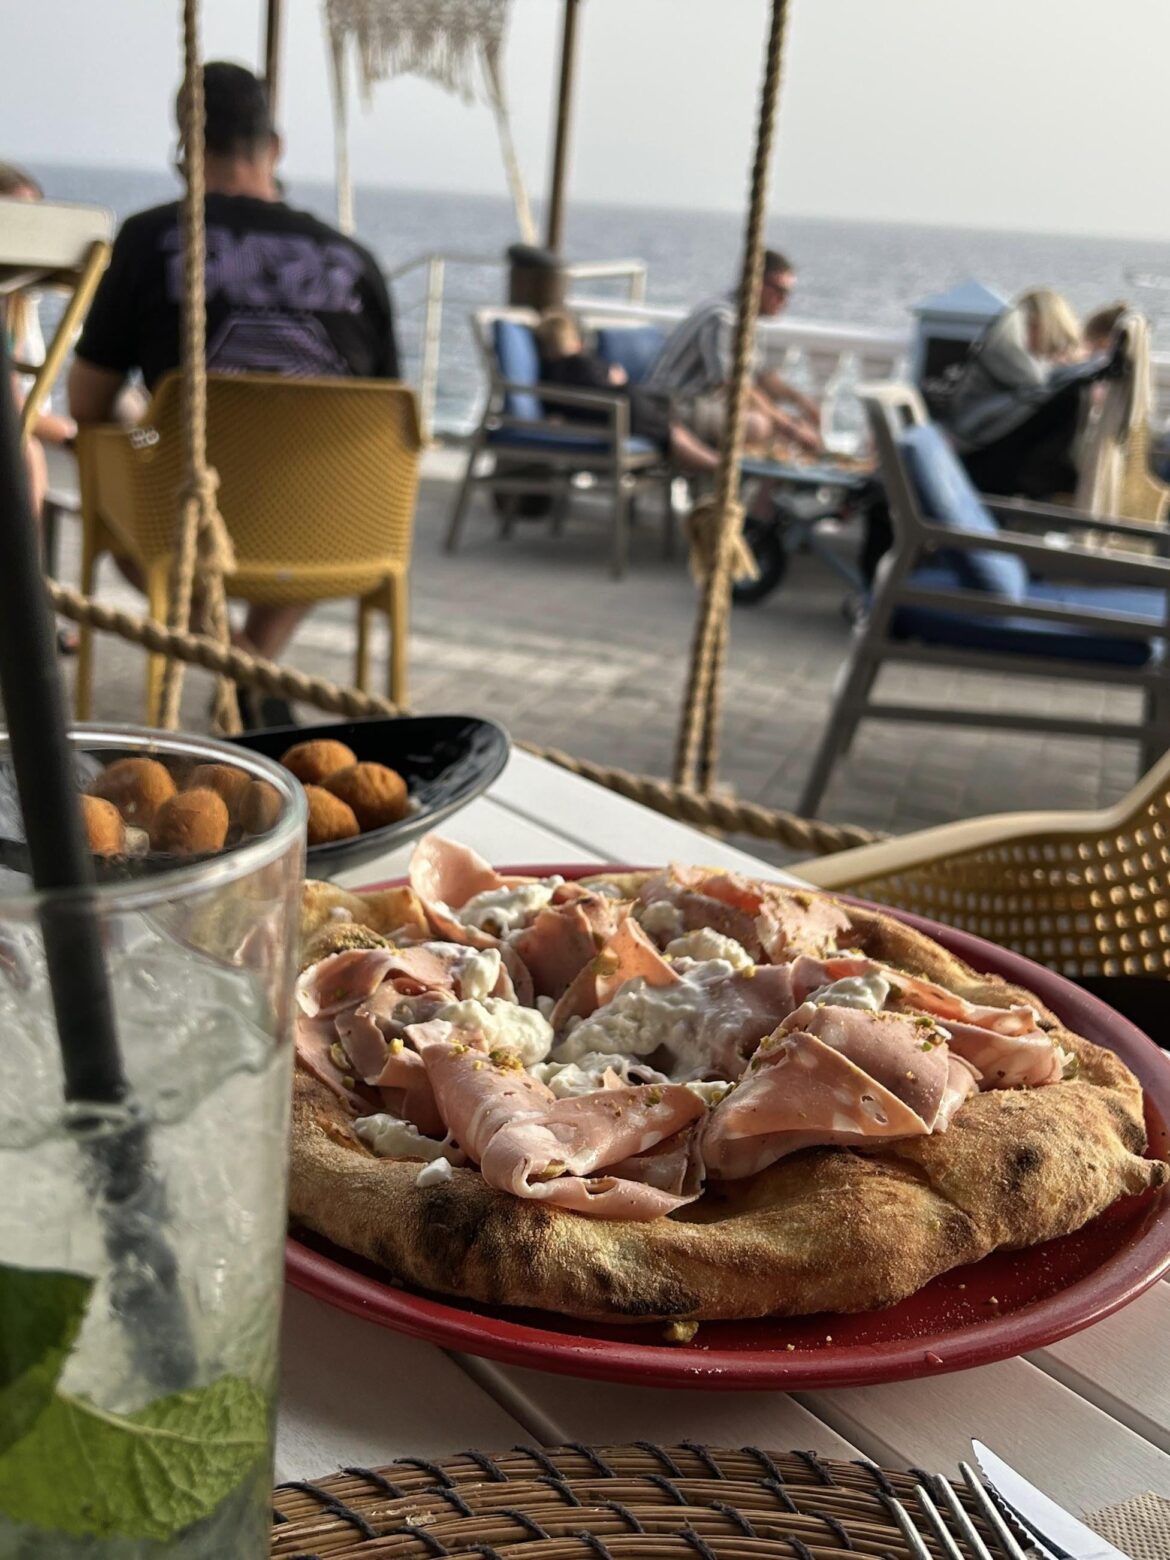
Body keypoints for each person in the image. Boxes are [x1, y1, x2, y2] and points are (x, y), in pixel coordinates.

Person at [68, 62, 400, 726]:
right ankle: (256, 669)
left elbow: (85, 404)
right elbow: (380, 421)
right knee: (314, 474)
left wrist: (141, 419)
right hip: (331, 533)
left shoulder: (150, 238)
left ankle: (233, 658)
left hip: (185, 526)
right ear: (273, 147)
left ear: (186, 151)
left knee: (119, 501)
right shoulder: (356, 260)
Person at [643, 249, 821, 455]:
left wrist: (799, 400)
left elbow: (761, 376)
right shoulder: (723, 318)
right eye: (779, 291)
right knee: (760, 426)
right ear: (755, 283)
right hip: (675, 404)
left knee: (778, 424)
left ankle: (757, 482)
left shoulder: (747, 318)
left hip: (704, 403)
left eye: (788, 294)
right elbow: (731, 384)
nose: (784, 301)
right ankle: (733, 479)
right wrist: (787, 425)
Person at [944, 288, 1094, 501]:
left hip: (976, 450)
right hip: (975, 459)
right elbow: (1036, 384)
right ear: (1039, 323)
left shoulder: (1003, 349)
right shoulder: (1007, 349)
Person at [534, 310, 718, 473]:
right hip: (621, 411)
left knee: (672, 432)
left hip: (619, 410)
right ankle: (718, 466)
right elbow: (608, 381)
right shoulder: (582, 364)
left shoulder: (548, 375)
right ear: (574, 340)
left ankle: (718, 465)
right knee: (671, 431)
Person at [1, 164, 79, 520]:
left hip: (17, 424)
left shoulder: (17, 301)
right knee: (27, 453)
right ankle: (26, 574)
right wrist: (70, 437)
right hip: (18, 431)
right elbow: (15, 407)